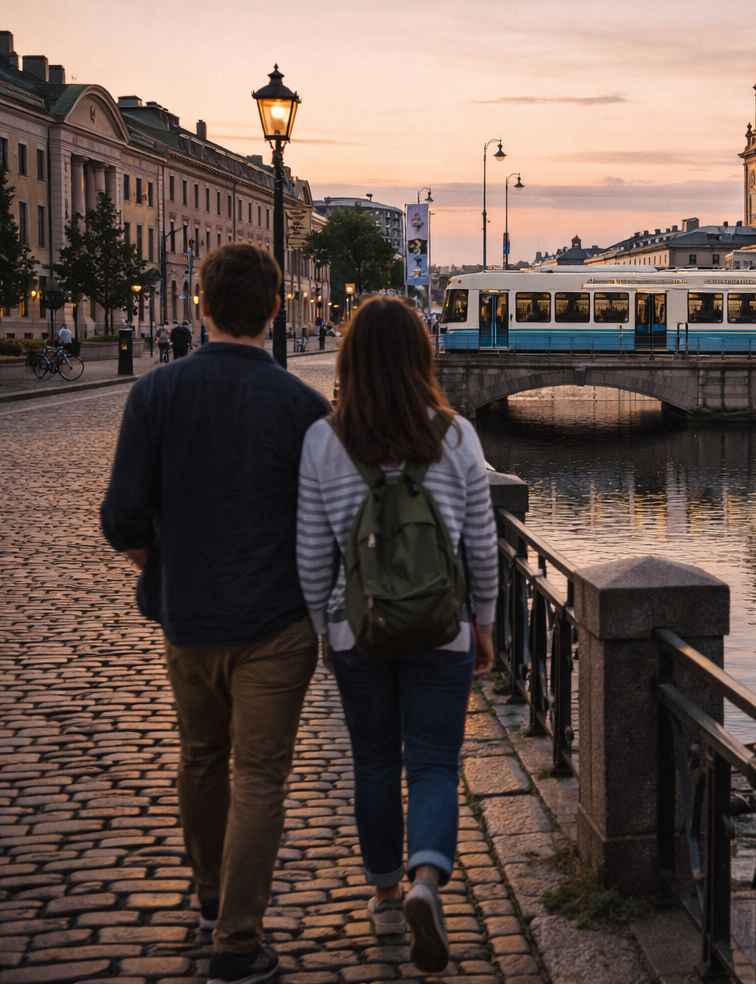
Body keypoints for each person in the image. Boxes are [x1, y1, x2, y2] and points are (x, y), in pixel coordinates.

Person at [101, 243, 330, 984]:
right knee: (260, 775)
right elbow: (325, 525)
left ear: (199, 307)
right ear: (273, 310)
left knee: (201, 758)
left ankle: (208, 896)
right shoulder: (302, 407)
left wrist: (160, 567)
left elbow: (122, 518)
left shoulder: (156, 394)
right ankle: (237, 942)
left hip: (189, 616)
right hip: (278, 622)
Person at [296, 296, 497, 972]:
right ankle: (426, 880)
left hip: (360, 628)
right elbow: (482, 546)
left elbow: (313, 553)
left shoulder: (324, 441)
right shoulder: (457, 435)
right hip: (443, 628)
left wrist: (327, 624)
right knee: (435, 763)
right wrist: (486, 623)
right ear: (422, 356)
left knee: (375, 761)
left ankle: (385, 891)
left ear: (348, 359)